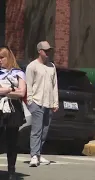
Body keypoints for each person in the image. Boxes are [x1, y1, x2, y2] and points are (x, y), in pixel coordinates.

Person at [26, 41, 59, 167]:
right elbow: (29, 84)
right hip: (37, 102)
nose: (48, 53)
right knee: (36, 130)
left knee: (44, 130)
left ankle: (38, 154)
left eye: (49, 50)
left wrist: (55, 102)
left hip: (49, 103)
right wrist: (30, 101)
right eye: (45, 51)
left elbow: (55, 85)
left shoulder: (52, 66)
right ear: (39, 51)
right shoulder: (32, 66)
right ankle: (34, 155)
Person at [0, 46, 26, 180]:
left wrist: (6, 90)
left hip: (14, 109)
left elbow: (22, 92)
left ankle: (11, 171)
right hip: (0, 107)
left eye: (2, 57)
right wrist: (11, 89)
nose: (0, 61)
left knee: (12, 140)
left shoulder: (18, 73)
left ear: (8, 57)